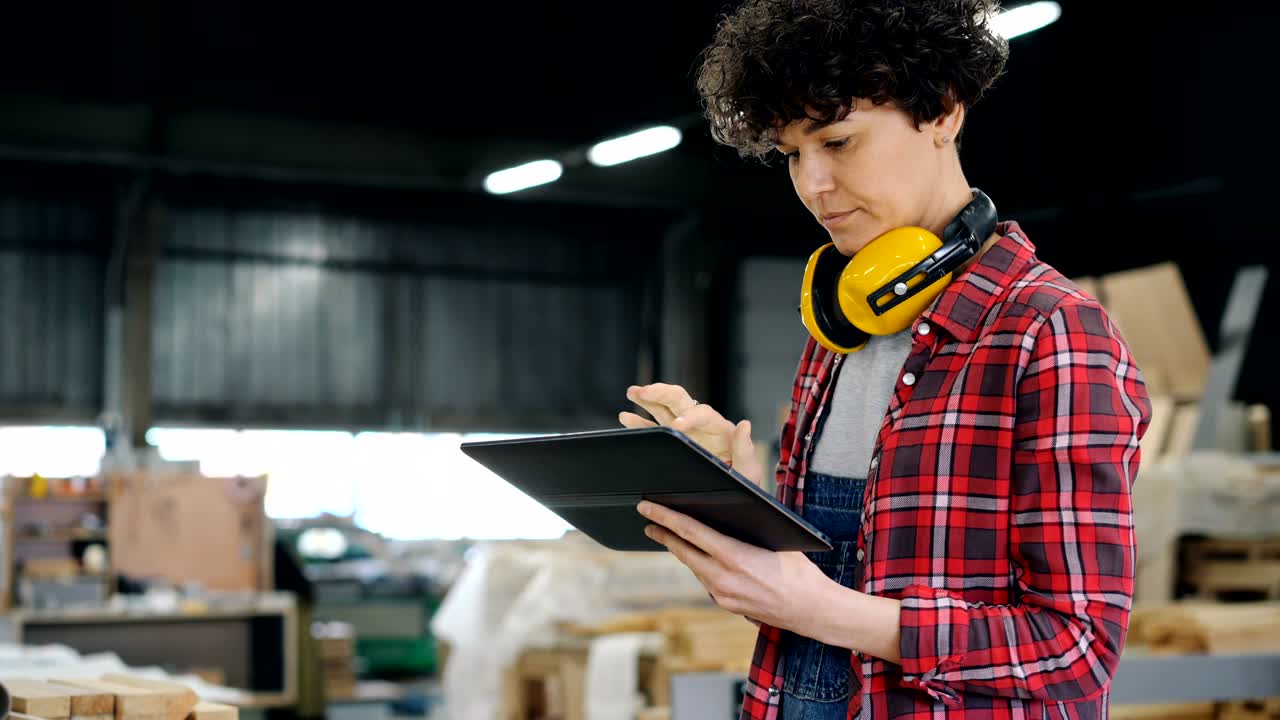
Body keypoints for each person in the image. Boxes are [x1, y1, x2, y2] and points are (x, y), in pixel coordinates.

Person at [617, 1, 1153, 718]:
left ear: (943, 114)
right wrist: (737, 496)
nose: (813, 186)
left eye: (837, 142)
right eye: (793, 155)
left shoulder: (1050, 333)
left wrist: (828, 611)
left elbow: (1076, 652)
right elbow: (824, 589)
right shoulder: (841, 331)